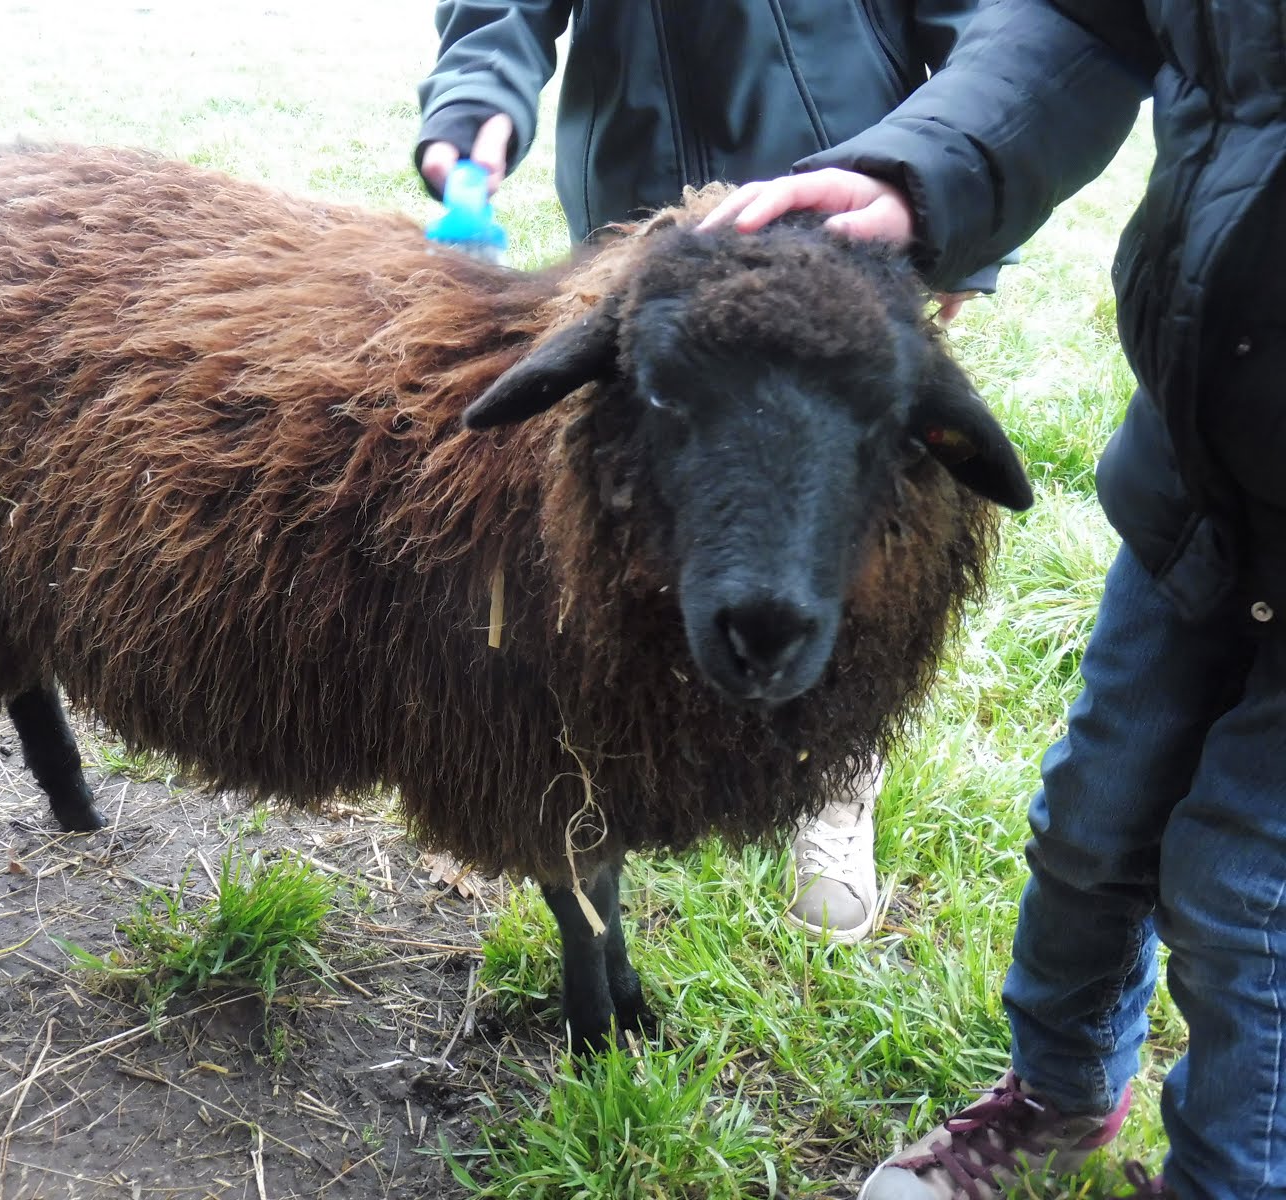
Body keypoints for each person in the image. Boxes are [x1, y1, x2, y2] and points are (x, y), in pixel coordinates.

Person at [700, 0, 1286, 1196]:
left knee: (1248, 898)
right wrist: (926, 170)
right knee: (1090, 820)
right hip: (1199, 469)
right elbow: (1093, 17)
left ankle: (1230, 1175)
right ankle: (1059, 1098)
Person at [414, 0, 999, 945]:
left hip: (848, 184)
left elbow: (980, 19)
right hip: (639, 202)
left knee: (862, 517)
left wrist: (963, 195)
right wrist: (475, 102)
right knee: (639, 522)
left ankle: (834, 774)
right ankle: (621, 764)